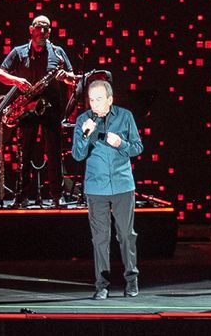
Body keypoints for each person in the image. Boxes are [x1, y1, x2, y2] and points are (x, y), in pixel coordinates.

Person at [71, 77, 144, 299]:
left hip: (122, 185)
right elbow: (77, 154)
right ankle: (101, 285)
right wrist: (85, 135)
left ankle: (131, 280)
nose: (95, 104)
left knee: (126, 235)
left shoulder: (125, 117)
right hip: (96, 187)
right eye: (92, 100)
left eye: (99, 99)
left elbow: (138, 147)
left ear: (110, 99)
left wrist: (120, 144)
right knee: (100, 238)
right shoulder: (83, 120)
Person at [0, 14, 77, 207]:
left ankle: (57, 196)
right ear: (31, 29)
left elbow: (73, 78)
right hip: (27, 107)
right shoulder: (18, 51)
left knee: (54, 154)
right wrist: (16, 80)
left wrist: (65, 76)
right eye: (39, 27)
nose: (43, 31)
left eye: (47, 28)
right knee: (24, 154)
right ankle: (22, 196)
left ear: (50, 32)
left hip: (51, 108)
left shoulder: (57, 52)